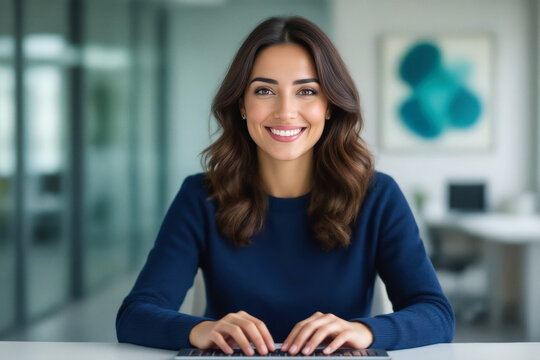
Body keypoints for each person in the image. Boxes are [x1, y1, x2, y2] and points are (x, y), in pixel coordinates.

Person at [116, 16, 455, 354]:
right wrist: (201, 329)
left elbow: (436, 315)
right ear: (242, 106)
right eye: (265, 91)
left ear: (330, 106)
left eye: (307, 91)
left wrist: (363, 331)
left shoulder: (378, 196)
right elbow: (135, 315)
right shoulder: (200, 196)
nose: (286, 111)